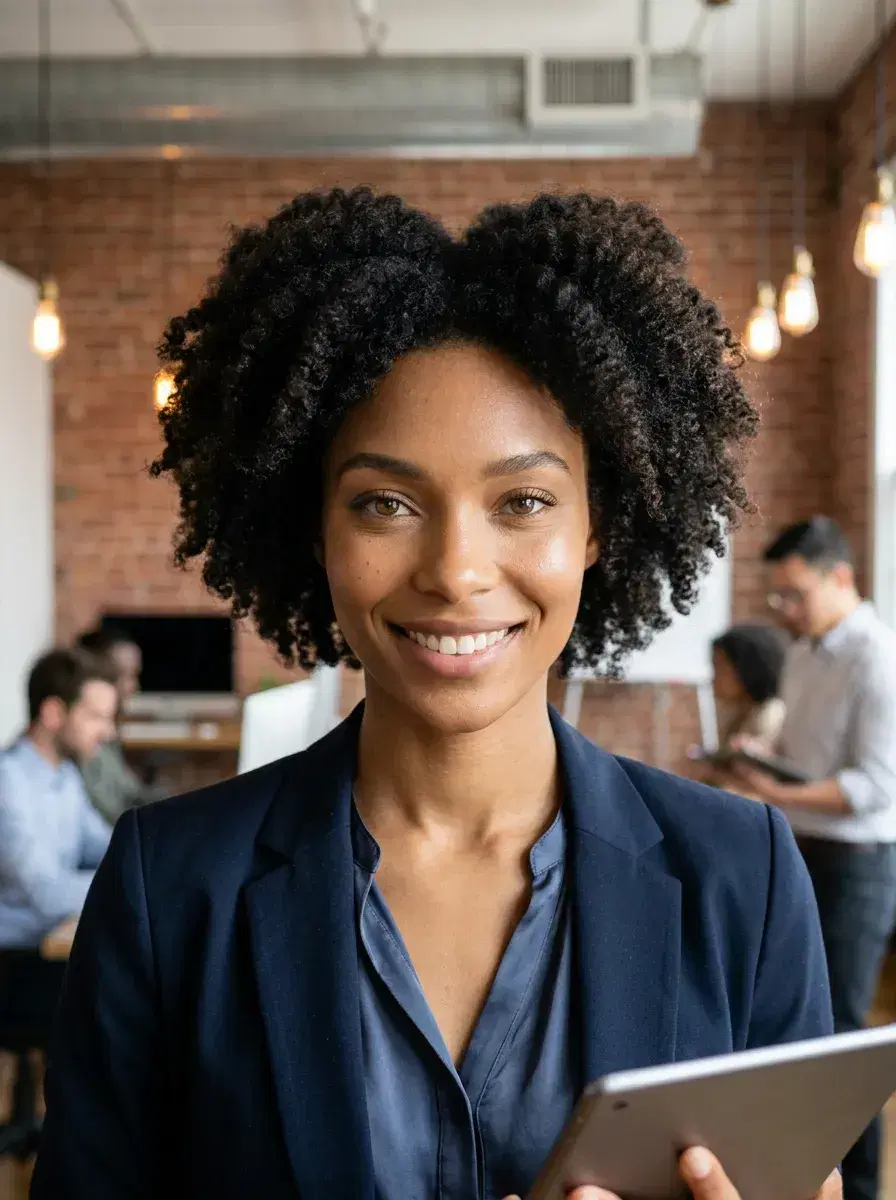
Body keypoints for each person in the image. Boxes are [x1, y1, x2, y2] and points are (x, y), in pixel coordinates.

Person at [32, 189, 837, 1200]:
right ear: (314, 530)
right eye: (385, 503)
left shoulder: (742, 874)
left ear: (596, 526)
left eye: (523, 501)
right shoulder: (170, 889)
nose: (456, 571)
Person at [734, 516, 896, 1200]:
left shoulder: (877, 658)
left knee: (842, 1039)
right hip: (799, 848)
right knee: (798, 1027)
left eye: (795, 594)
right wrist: (759, 761)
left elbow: (876, 786)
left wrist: (775, 791)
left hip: (858, 861)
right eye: (778, 596)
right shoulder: (801, 652)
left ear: (841, 578)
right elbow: (801, 757)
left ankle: (861, 1189)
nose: (785, 610)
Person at [0, 649, 115, 1039]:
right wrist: (127, 881)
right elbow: (47, 894)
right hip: (15, 965)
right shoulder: (9, 782)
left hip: (52, 949)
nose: (108, 732)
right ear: (53, 713)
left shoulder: (65, 774)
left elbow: (105, 846)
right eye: (96, 716)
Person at [75, 626, 164, 823]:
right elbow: (115, 815)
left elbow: (133, 793)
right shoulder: (87, 744)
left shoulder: (108, 737)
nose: (134, 687)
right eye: (125, 676)